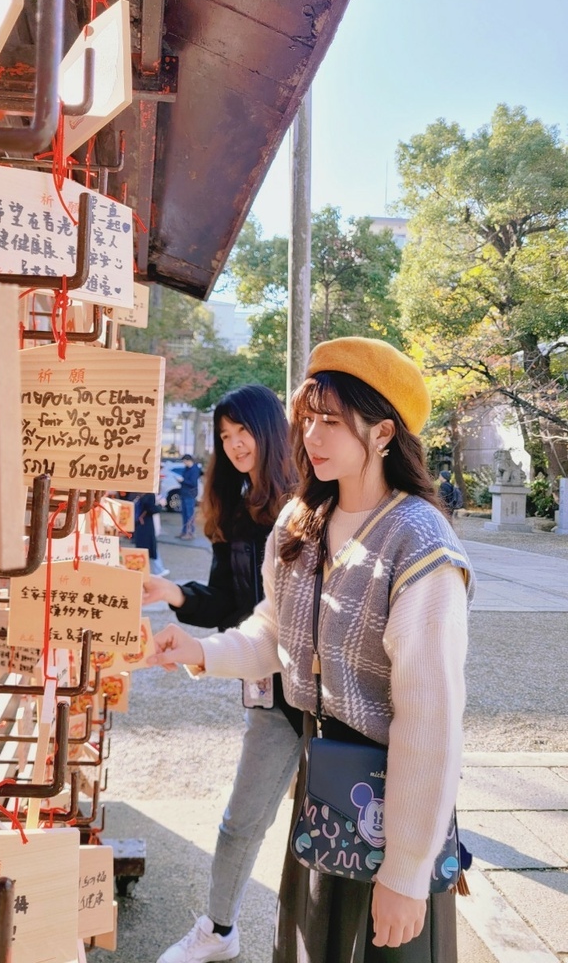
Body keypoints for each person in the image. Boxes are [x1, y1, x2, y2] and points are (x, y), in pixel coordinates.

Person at [148, 337, 475, 963]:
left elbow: (430, 721)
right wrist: (199, 650)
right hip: (325, 793)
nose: (311, 435)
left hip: (390, 800)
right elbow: (275, 633)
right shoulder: (302, 520)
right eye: (308, 418)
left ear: (382, 433)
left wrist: (406, 873)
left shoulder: (422, 545)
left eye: (331, 421)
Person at [144, 385, 304, 963]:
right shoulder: (231, 505)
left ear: (270, 431)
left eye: (244, 433)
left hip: (331, 689)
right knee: (243, 819)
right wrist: (174, 594)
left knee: (341, 817)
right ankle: (219, 930)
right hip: (269, 685)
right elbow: (227, 604)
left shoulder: (312, 500)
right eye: (225, 436)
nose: (235, 445)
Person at [130, 491, 169, 576]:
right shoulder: (149, 494)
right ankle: (157, 570)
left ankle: (145, 569)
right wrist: (160, 505)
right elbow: (152, 509)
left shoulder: (139, 493)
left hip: (140, 524)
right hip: (146, 525)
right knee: (150, 548)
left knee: (144, 548)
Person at [176, 453, 202, 539]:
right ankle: (184, 531)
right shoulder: (186, 469)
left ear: (188, 461)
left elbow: (193, 483)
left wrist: (183, 481)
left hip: (190, 494)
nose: (184, 463)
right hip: (184, 492)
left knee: (189, 514)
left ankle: (190, 532)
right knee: (184, 514)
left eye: (184, 461)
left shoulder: (194, 470)